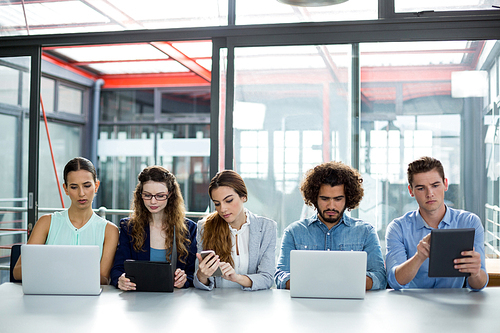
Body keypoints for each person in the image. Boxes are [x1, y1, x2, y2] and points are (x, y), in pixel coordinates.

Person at [275, 161, 386, 290]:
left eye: (338, 199)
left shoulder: (365, 232)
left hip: (352, 306)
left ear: (348, 198)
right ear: (314, 197)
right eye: (324, 199)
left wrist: (323, 282)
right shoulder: (294, 232)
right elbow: (281, 277)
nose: (331, 206)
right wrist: (339, 281)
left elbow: (380, 278)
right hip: (306, 305)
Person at [385, 156, 488, 290]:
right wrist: (419, 257)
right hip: (412, 305)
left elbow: (479, 285)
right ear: (411, 191)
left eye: (435, 185)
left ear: (445, 184)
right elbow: (394, 282)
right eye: (421, 188)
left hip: (455, 304)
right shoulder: (397, 228)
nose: (430, 194)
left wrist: (475, 273)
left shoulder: (469, 222)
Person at [13, 157, 119, 284]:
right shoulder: (46, 223)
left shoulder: (110, 230)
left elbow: (102, 279)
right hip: (48, 298)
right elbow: (18, 271)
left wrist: (53, 269)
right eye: (74, 187)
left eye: (87, 186)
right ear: (65, 189)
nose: (81, 193)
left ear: (96, 186)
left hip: (90, 301)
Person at [111, 166, 197, 290]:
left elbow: (193, 274)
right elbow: (117, 269)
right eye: (147, 195)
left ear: (170, 194)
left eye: (160, 196)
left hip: (176, 302)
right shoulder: (128, 227)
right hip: (138, 299)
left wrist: (185, 280)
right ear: (140, 195)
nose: (153, 201)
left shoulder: (189, 229)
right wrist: (120, 279)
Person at [194, 170, 277, 291]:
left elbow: (267, 278)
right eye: (217, 203)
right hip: (217, 304)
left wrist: (237, 278)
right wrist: (202, 275)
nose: (222, 209)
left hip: (254, 303)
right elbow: (199, 282)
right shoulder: (205, 227)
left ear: (243, 196)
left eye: (228, 201)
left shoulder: (267, 227)